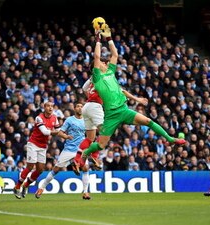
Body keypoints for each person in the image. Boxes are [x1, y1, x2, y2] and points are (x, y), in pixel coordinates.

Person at [72, 23, 186, 174]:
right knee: (100, 145)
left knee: (148, 121)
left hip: (124, 110)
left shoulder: (111, 72)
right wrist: (98, 39)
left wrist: (110, 38)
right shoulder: (97, 77)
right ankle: (85, 154)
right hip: (111, 115)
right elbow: (97, 56)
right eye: (99, 64)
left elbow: (115, 55)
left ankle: (170, 139)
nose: (102, 63)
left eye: (103, 63)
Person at [72, 76, 148, 171]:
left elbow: (84, 88)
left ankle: (77, 159)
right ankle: (94, 156)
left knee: (90, 138)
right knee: (105, 133)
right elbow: (122, 91)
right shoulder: (107, 78)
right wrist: (137, 99)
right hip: (96, 107)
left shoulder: (94, 78)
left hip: (86, 107)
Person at [13, 101, 72, 199]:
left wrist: (66, 136)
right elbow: (45, 132)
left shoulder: (54, 118)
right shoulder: (39, 117)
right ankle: (17, 187)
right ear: (44, 107)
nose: (50, 108)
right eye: (48, 106)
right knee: (30, 166)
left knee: (40, 169)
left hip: (43, 146)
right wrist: (57, 132)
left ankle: (26, 185)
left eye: (52, 106)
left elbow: (59, 130)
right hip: (33, 144)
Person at [35, 103, 92, 199]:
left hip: (80, 150)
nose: (80, 108)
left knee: (85, 168)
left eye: (82, 106)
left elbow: (89, 135)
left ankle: (85, 192)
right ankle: (41, 188)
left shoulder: (86, 120)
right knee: (56, 169)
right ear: (74, 109)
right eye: (78, 106)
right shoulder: (69, 120)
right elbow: (60, 132)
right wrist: (66, 136)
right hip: (69, 149)